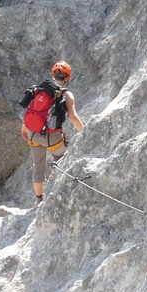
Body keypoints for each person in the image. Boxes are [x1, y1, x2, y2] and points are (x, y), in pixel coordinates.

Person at [21, 61, 84, 203]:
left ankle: (38, 199)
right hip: (52, 138)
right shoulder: (66, 94)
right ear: (68, 78)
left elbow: (28, 111)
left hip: (33, 135)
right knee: (61, 156)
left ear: (53, 74)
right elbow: (73, 117)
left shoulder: (39, 89)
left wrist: (25, 129)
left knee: (38, 166)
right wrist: (85, 131)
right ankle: (55, 185)